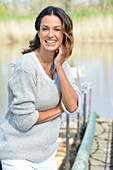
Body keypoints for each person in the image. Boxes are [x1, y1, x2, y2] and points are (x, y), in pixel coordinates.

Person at [0, 6, 81, 170]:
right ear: (38, 32)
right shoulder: (27, 66)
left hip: (46, 155)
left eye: (56, 29)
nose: (51, 34)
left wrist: (58, 65)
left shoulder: (62, 64)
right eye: (45, 29)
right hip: (18, 156)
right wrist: (59, 109)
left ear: (64, 33)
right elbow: (24, 121)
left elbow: (72, 105)